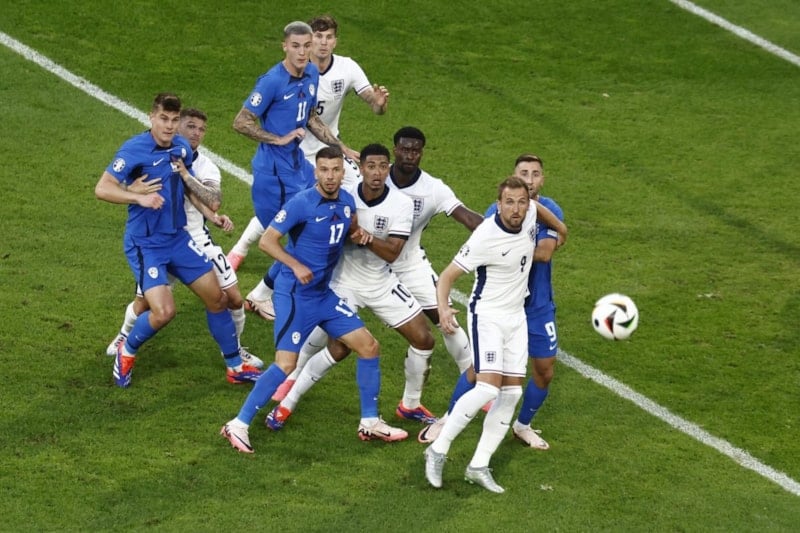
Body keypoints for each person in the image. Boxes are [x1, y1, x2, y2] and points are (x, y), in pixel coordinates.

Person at [220, 146, 407, 454]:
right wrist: (295, 265)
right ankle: (238, 424)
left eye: (335, 170)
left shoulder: (347, 202)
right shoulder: (301, 203)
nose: (330, 176)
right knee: (285, 364)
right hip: (295, 294)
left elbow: (348, 229)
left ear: (343, 172)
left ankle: (370, 421)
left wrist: (359, 235)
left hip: (323, 294)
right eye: (324, 170)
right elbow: (267, 241)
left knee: (369, 346)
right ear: (316, 171)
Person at [264, 143, 439, 431]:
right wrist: (348, 235)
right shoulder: (345, 196)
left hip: (381, 281)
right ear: (360, 169)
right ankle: (287, 402)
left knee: (424, 338)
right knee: (339, 347)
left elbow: (393, 253)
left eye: (382, 166)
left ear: (388, 169)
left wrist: (364, 237)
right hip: (344, 281)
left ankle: (410, 405)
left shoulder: (401, 204)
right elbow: (321, 234)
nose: (377, 172)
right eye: (370, 166)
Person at [95, 93, 258, 387]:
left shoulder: (181, 147)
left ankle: (235, 367)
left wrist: (210, 215)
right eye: (163, 119)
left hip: (179, 239)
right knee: (164, 312)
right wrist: (137, 196)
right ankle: (126, 351)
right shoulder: (133, 150)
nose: (169, 126)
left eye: (173, 120)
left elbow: (187, 188)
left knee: (218, 299)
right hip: (146, 244)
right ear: (151, 117)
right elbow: (102, 188)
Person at [227, 13, 389, 297]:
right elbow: (240, 121)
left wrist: (340, 147)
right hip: (276, 171)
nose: (304, 51)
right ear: (285, 46)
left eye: (307, 45)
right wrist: (278, 138)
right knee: (295, 235)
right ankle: (263, 293)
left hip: (301, 163)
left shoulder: (312, 73)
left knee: (316, 222)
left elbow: (312, 117)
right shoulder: (272, 81)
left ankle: (268, 293)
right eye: (297, 46)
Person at [419, 154, 564, 449]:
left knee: (545, 370)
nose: (529, 179)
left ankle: (522, 426)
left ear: (543, 179)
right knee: (480, 371)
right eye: (523, 173)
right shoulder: (497, 212)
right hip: (500, 306)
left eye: (535, 174)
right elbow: (484, 251)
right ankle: (447, 419)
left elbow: (545, 252)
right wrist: (510, 249)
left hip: (537, 305)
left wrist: (517, 245)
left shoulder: (547, 209)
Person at [423, 176, 537, 494]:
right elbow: (447, 276)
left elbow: (541, 212)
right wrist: (443, 309)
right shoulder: (485, 236)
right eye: (509, 203)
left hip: (516, 317)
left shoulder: (531, 214)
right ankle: (438, 450)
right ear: (498, 205)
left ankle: (478, 466)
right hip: (487, 316)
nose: (516, 209)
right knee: (487, 388)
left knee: (511, 394)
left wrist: (561, 228)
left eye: (521, 202)